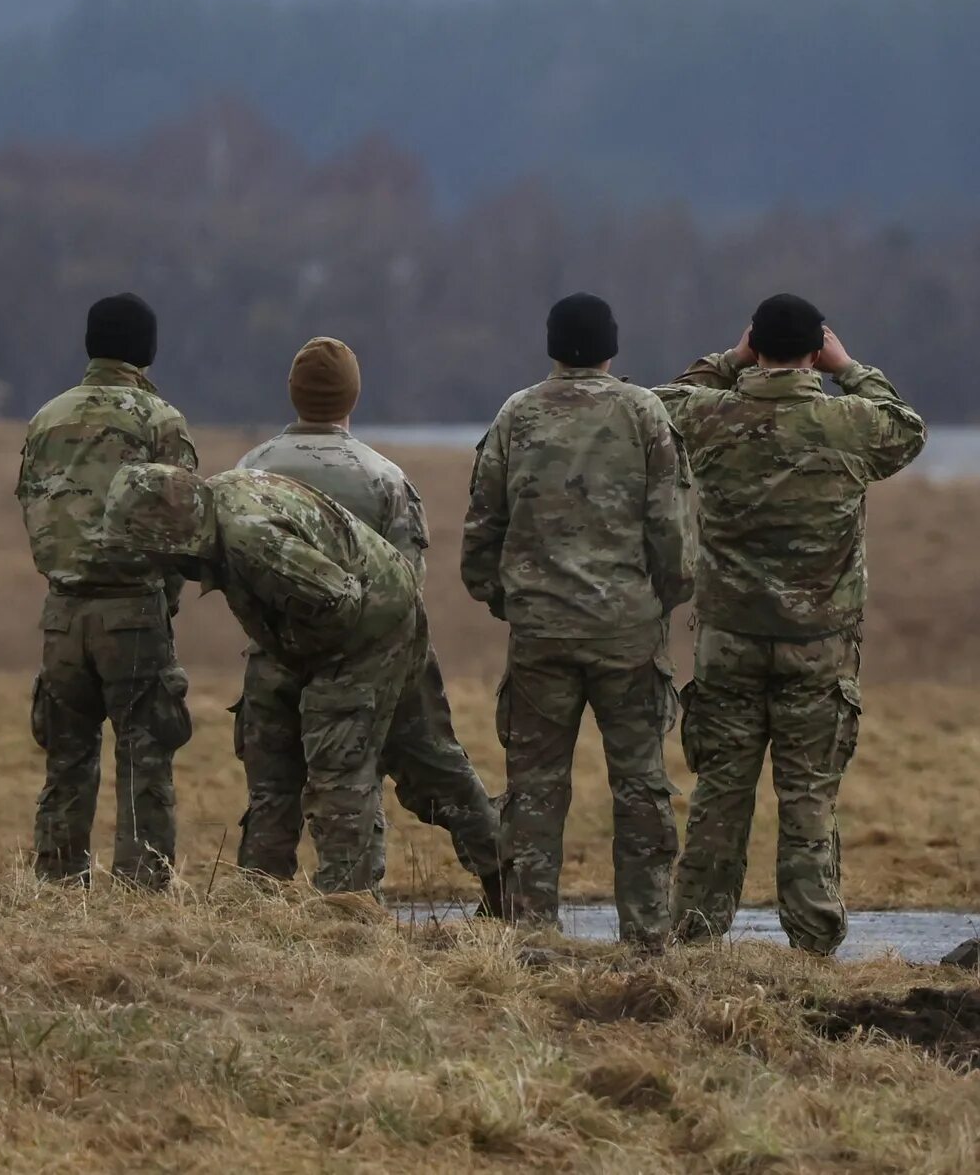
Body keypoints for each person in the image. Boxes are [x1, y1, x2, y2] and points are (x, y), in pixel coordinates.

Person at [654, 293, 927, 955]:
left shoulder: (710, 416)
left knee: (721, 789)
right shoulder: (850, 423)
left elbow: (655, 405)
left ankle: (694, 932)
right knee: (808, 793)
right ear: (817, 350)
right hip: (819, 646)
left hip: (729, 641)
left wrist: (728, 359)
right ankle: (812, 936)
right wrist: (850, 366)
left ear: (754, 343)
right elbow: (906, 425)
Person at [236, 337, 505, 911]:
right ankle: (504, 880)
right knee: (426, 770)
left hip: (276, 653)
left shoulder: (251, 468)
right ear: (352, 396)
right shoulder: (383, 478)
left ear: (294, 392)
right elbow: (407, 583)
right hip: (375, 657)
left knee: (271, 789)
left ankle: (256, 913)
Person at [461, 292, 694, 949]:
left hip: (540, 633)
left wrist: (505, 597)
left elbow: (483, 523)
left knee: (534, 789)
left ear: (552, 346)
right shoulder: (644, 412)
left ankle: (532, 931)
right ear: (611, 348)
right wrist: (662, 597)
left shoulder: (518, 413)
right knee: (642, 784)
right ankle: (647, 934)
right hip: (628, 632)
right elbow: (671, 527)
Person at [95, 459, 421, 893]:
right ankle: (260, 897)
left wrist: (316, 681)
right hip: (306, 636)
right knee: (269, 761)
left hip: (366, 629)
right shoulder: (216, 509)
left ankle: (348, 910)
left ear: (168, 536)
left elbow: (341, 599)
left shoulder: (252, 539)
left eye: (145, 547)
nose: (147, 561)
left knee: (337, 766)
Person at [19, 292, 198, 886]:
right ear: (147, 350)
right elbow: (186, 527)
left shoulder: (47, 418)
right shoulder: (159, 421)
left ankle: (57, 888)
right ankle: (140, 900)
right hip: (134, 612)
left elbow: (34, 506)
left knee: (66, 764)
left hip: (62, 614)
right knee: (143, 767)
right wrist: (161, 597)